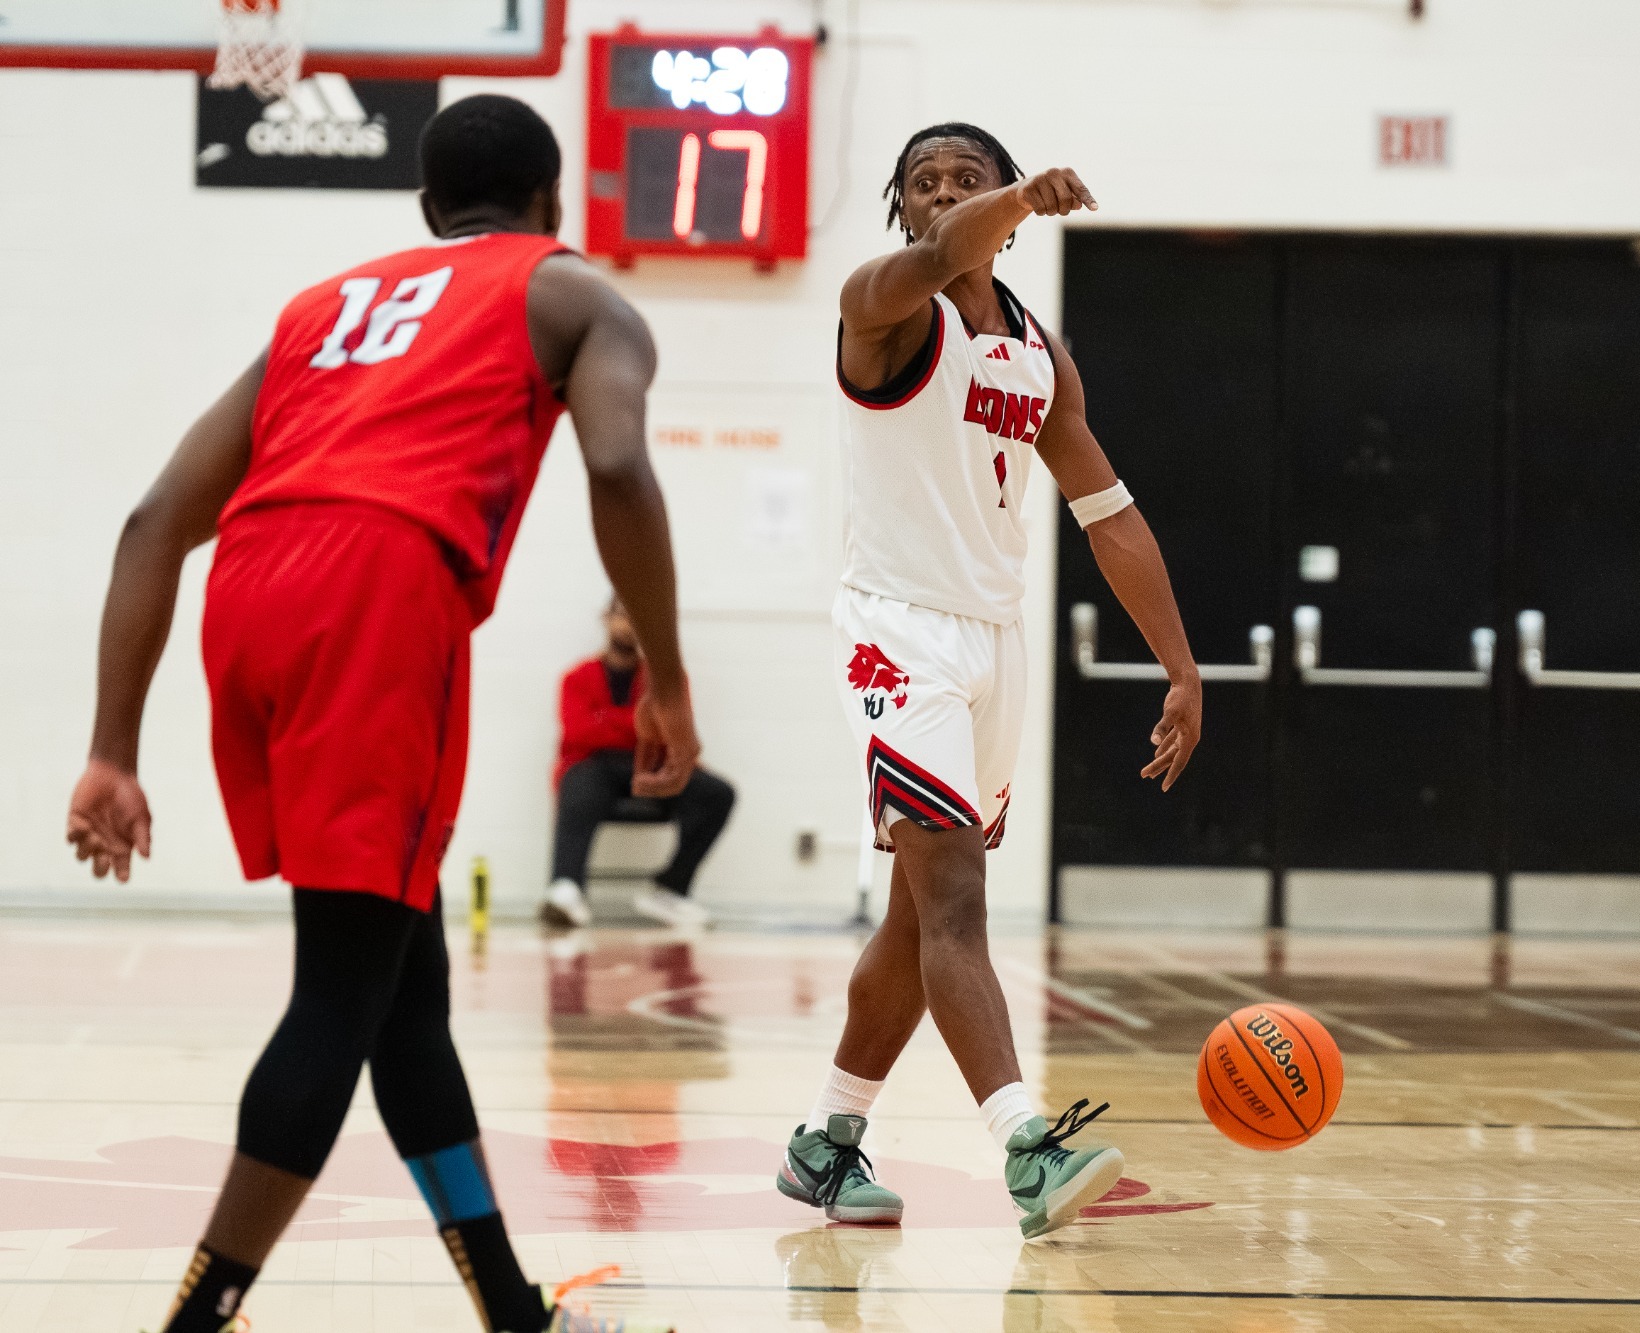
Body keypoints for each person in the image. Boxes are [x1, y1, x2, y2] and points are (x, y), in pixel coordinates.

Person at [63, 95, 694, 1333]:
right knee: (340, 993)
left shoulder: (319, 310)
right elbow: (617, 465)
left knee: (406, 996)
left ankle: (511, 1310)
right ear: (551, 203)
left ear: (422, 212)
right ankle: (198, 1318)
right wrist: (665, 677)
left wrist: (109, 749)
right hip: (380, 596)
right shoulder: (569, 292)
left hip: (249, 590)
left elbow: (151, 525)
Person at [777, 124, 1202, 1239]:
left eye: (967, 174)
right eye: (925, 183)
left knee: (921, 912)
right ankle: (1025, 1144)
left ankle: (826, 1140)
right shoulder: (876, 303)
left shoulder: (1037, 351)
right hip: (895, 634)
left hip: (994, 642)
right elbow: (941, 251)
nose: (947, 194)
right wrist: (1010, 196)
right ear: (903, 210)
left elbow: (1105, 513)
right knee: (957, 896)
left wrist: (1178, 664)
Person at [542, 597, 736, 930]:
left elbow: (672, 730)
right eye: (622, 614)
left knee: (718, 794)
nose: (628, 624)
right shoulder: (577, 677)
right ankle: (566, 887)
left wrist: (607, 721)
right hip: (597, 771)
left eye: (637, 616)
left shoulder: (669, 680)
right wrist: (638, 724)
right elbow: (579, 733)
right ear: (606, 618)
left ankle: (671, 889)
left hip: (653, 771)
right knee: (576, 781)